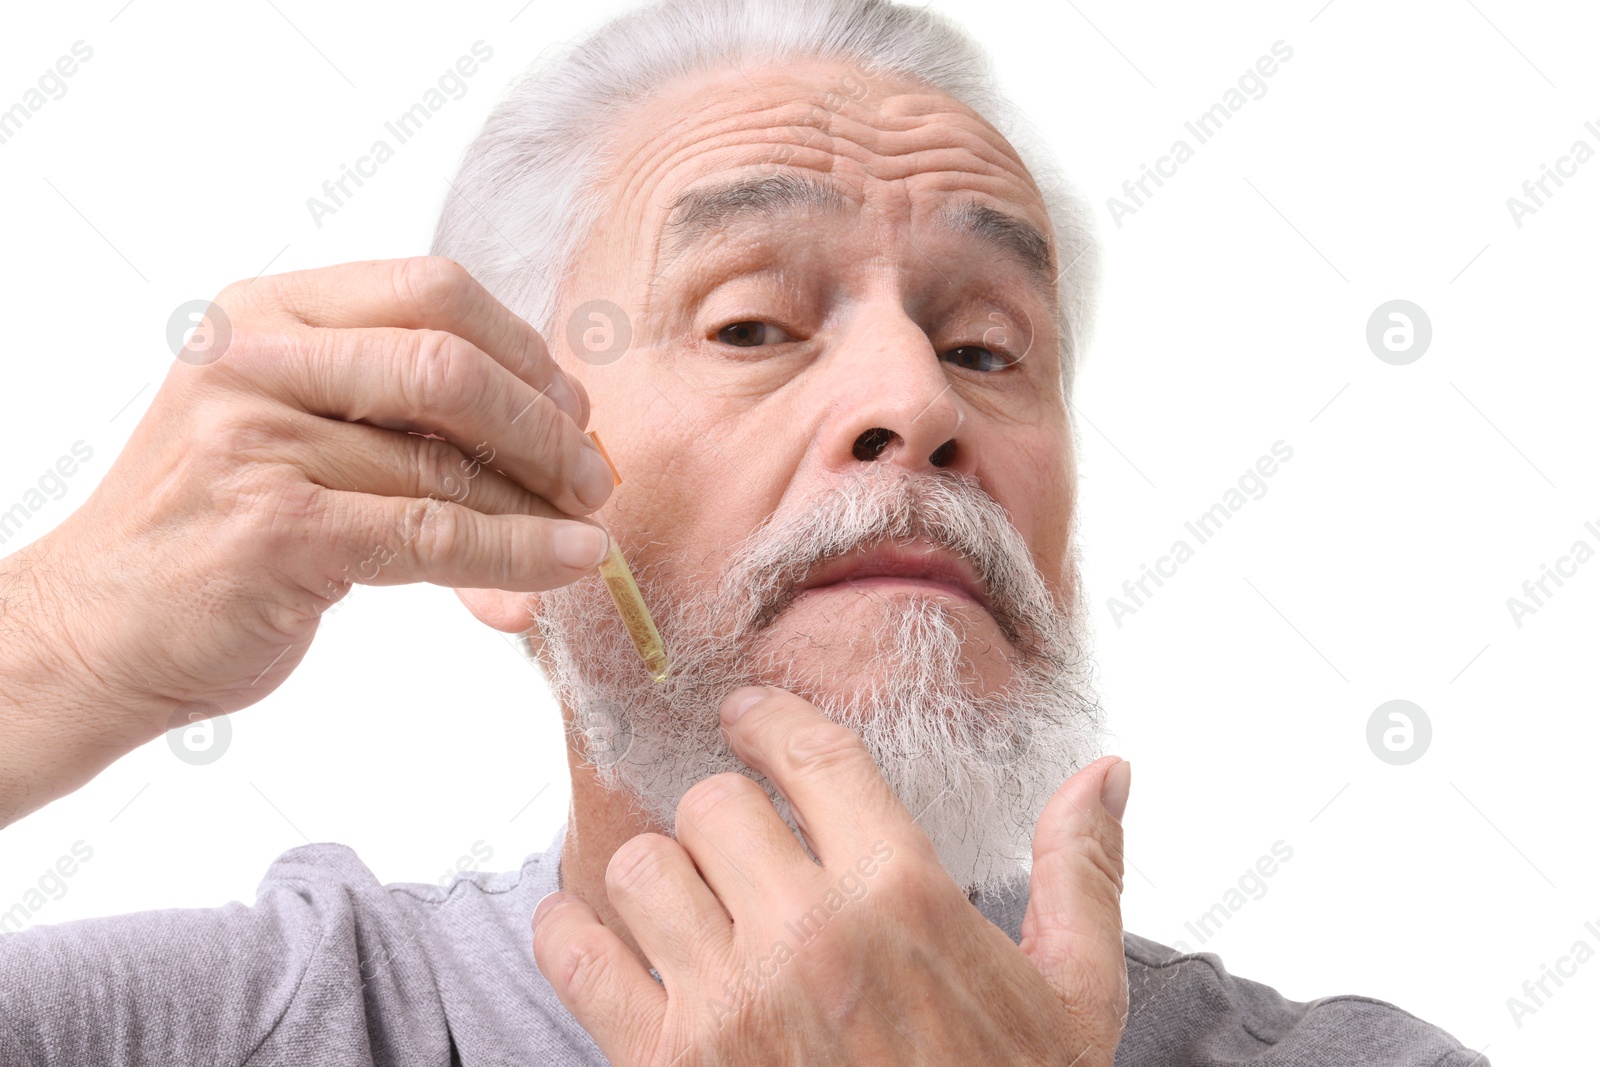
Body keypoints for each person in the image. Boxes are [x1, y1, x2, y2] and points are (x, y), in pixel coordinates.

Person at [0, 0, 1482, 1063]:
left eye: (985, 349)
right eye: (754, 321)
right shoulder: (208, 1029)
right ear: (477, 493)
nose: (913, 401)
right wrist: (48, 651)